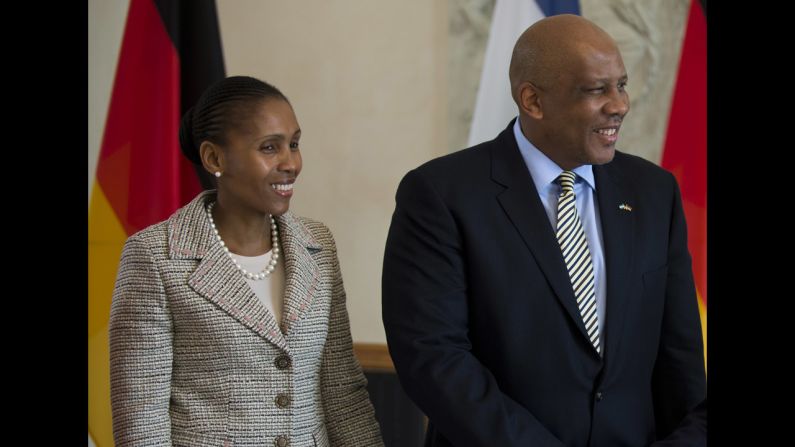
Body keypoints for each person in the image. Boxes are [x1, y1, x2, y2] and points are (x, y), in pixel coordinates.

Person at [382, 14, 706, 447]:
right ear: (532, 100)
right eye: (597, 90)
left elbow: (680, 357)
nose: (620, 105)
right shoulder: (441, 195)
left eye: (621, 85)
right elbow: (434, 359)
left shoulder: (654, 192)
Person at [109, 76, 384, 447]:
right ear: (214, 157)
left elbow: (342, 391)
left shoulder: (318, 245)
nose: (291, 163)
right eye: (269, 148)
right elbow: (142, 423)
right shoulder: (155, 256)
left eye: (294, 144)